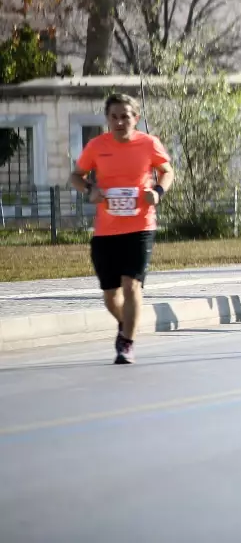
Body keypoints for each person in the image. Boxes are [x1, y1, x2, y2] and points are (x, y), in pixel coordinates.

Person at [69, 94, 173, 365]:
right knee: (110, 296)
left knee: (131, 286)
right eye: (114, 116)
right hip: (106, 230)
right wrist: (90, 189)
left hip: (141, 226)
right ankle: (126, 324)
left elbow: (167, 171)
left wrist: (158, 191)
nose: (119, 121)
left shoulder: (148, 143)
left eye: (125, 116)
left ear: (135, 118)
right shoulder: (96, 146)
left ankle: (127, 342)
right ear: (107, 119)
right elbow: (75, 176)